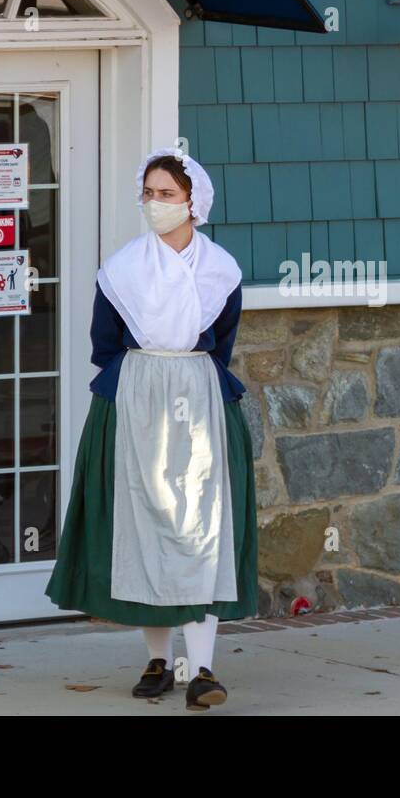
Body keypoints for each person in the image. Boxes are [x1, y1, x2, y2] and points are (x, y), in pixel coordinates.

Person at [45, 146, 257, 712]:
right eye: (149, 193)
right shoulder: (122, 271)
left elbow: (223, 343)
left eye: (167, 194)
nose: (156, 204)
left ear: (194, 202)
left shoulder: (221, 272)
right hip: (135, 398)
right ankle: (160, 660)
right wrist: (148, 375)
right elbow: (104, 344)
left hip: (202, 399)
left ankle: (204, 669)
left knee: (203, 528)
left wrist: (185, 373)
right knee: (143, 525)